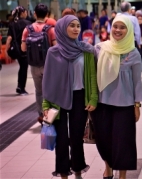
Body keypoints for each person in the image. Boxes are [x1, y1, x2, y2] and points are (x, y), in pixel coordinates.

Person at [42, 15, 98, 179]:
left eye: (78, 26)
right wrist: (45, 105)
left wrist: (93, 97)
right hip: (57, 98)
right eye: (71, 26)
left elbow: (92, 77)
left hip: (80, 96)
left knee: (76, 136)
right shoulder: (53, 53)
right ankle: (63, 171)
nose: (76, 29)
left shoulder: (86, 50)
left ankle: (78, 169)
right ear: (62, 28)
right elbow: (48, 81)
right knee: (61, 138)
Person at [92, 15, 142, 179]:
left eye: (122, 27)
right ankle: (108, 168)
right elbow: (91, 75)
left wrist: (137, 105)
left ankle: (122, 174)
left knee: (123, 142)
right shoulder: (99, 49)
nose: (118, 30)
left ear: (129, 30)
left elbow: (137, 82)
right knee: (104, 139)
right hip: (102, 104)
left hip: (125, 105)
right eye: (116, 27)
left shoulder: (133, 52)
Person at [21, 3, 57, 124]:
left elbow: (23, 48)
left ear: (34, 14)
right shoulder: (50, 29)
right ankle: (52, 115)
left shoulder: (28, 29)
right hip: (48, 65)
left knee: (39, 91)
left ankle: (41, 115)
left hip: (34, 65)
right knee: (50, 90)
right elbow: (55, 47)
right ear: (47, 15)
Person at [5, 6, 31, 95]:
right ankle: (21, 88)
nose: (27, 13)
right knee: (24, 68)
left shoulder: (12, 24)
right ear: (22, 13)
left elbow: (9, 38)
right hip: (25, 48)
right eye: (26, 12)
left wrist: (6, 50)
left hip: (16, 49)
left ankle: (20, 86)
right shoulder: (28, 23)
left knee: (22, 67)